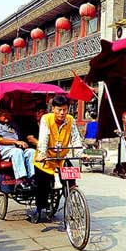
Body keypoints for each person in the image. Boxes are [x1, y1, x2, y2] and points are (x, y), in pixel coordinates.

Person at [33, 95, 83, 223]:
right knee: (43, 183)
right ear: (53, 108)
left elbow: (75, 137)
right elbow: (44, 136)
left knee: (70, 180)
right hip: (46, 157)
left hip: (62, 157)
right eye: (59, 109)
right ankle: (39, 208)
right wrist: (42, 154)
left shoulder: (70, 120)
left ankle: (72, 203)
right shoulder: (46, 118)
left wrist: (79, 153)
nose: (62, 113)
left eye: (65, 110)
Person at [0, 107, 36, 192]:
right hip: (5, 150)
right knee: (17, 152)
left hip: (17, 148)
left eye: (8, 114)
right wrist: (15, 142)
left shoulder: (14, 125)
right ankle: (20, 180)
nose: (6, 116)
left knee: (31, 152)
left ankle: (32, 178)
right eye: (4, 114)